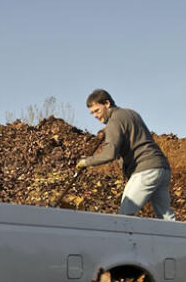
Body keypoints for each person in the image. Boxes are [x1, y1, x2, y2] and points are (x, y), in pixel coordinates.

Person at [76, 89, 177, 221]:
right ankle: (185, 242)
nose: (95, 115)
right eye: (92, 113)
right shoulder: (130, 113)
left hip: (145, 170)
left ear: (107, 103)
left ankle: (122, 242)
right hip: (161, 169)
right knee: (167, 219)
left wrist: (86, 162)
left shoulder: (114, 121)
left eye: (97, 110)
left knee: (124, 217)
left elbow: (109, 154)